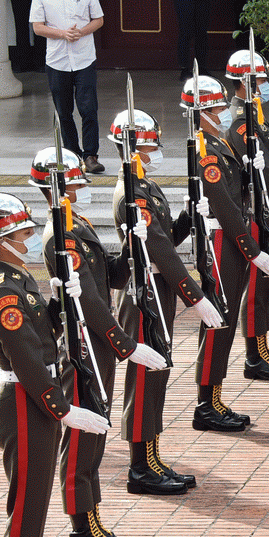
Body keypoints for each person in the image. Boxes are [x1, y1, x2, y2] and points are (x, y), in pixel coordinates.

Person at [0, 192, 108, 537]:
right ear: (3, 239)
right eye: (24, 232)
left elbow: (44, 336)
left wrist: (55, 304)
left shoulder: (18, 280)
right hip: (24, 404)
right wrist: (65, 409)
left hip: (34, 402)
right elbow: (28, 361)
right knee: (27, 505)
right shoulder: (3, 295)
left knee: (35, 503)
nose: (32, 237)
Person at [33, 146, 166, 537]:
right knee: (80, 442)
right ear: (56, 188)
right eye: (73, 183)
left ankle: (92, 521)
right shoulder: (60, 235)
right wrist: (126, 343)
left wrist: (133, 248)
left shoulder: (77, 224)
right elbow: (90, 301)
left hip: (97, 346)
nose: (80, 189)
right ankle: (81, 530)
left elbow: (107, 274)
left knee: (96, 435)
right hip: (83, 348)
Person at [108, 108, 220, 494]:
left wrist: (190, 216)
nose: (156, 151)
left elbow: (165, 237)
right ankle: (139, 467)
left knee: (159, 375)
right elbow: (157, 248)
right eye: (150, 145)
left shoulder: (146, 186)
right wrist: (196, 295)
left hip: (160, 291)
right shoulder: (131, 192)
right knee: (145, 378)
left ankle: (152, 457)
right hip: (144, 293)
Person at [185, 74, 269, 432]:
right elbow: (223, 205)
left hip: (230, 238)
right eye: (218, 107)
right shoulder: (205, 152)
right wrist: (252, 251)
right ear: (203, 112)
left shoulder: (217, 143)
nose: (225, 110)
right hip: (222, 241)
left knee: (222, 323)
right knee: (218, 322)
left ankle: (214, 399)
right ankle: (205, 405)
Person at [224, 50, 269, 381]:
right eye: (260, 81)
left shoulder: (256, 118)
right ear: (244, 83)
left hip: (267, 212)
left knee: (265, 286)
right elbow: (266, 175)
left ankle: (263, 349)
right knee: (257, 287)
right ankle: (255, 356)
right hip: (257, 213)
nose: (265, 86)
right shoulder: (241, 125)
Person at [30, 0, 105, 174]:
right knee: (64, 111)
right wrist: (63, 34)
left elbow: (99, 19)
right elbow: (37, 27)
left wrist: (80, 32)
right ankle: (72, 155)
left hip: (83, 59)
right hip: (57, 61)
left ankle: (90, 155)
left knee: (88, 108)